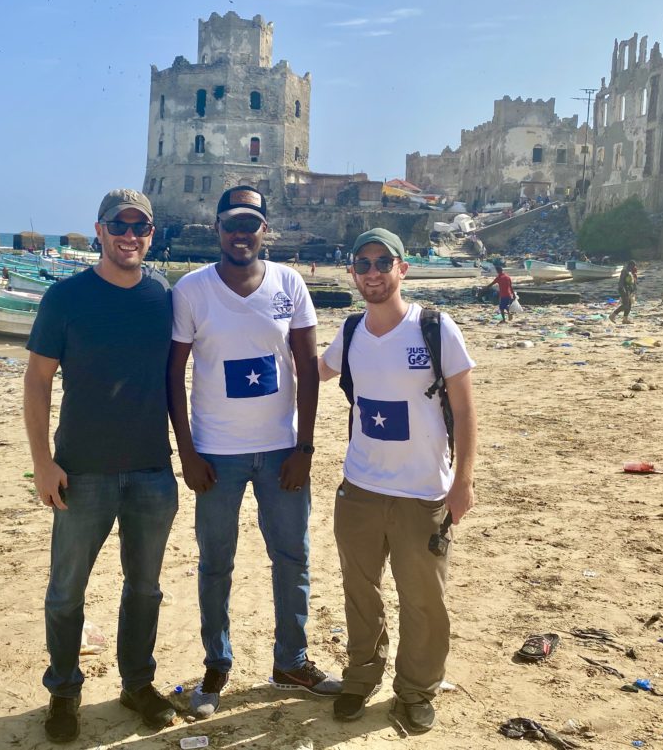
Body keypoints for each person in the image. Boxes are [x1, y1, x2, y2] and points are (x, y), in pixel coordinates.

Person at [168, 185, 340, 720]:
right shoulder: (191, 290)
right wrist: (188, 453)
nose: (241, 234)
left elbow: (308, 369)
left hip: (282, 451)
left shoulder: (289, 284)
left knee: (293, 559)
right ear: (217, 228)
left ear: (266, 230)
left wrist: (305, 447)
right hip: (216, 456)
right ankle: (217, 665)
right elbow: (174, 375)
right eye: (232, 225)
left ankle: (291, 660)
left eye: (251, 224)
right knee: (215, 563)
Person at [24, 189, 178, 743]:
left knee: (145, 589)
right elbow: (37, 382)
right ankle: (64, 692)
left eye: (141, 227)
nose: (130, 235)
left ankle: (137, 684)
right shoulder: (65, 298)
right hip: (81, 472)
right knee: (66, 590)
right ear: (99, 229)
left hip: (151, 472)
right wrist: (42, 463)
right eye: (120, 225)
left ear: (151, 234)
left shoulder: (164, 296)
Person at [318, 228, 477, 734]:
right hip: (360, 490)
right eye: (362, 263)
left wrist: (464, 481)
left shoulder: (434, 327)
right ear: (352, 274)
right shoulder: (349, 332)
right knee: (359, 591)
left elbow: (465, 409)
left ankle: (415, 690)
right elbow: (309, 368)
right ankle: (362, 676)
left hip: (423, 492)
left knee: (424, 599)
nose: (372, 272)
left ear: (401, 269)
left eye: (382, 262)